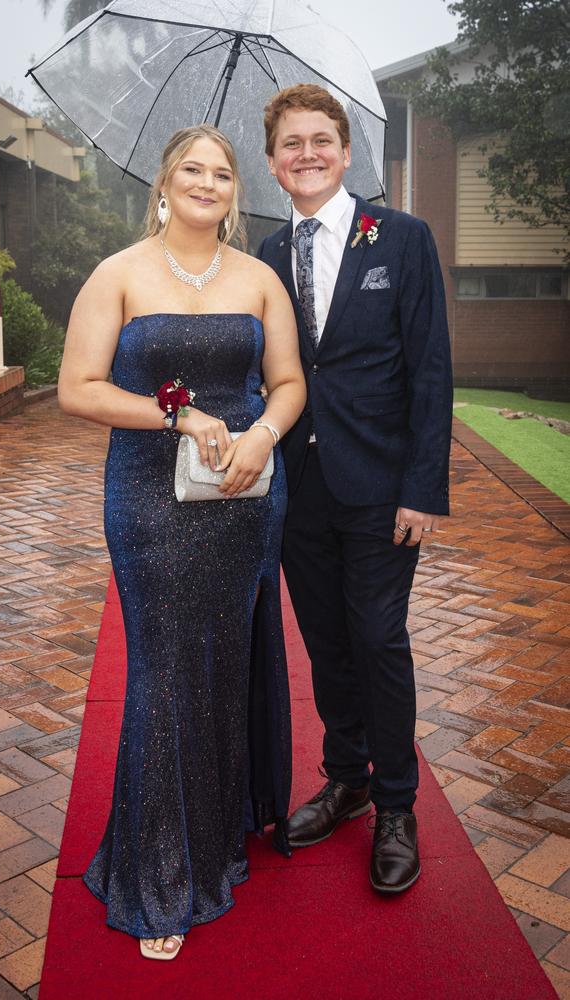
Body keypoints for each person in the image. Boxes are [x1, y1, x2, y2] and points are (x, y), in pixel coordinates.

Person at [58, 124, 305, 959]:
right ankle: (157, 875)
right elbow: (77, 389)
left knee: (220, 670)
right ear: (164, 183)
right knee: (164, 674)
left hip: (242, 498)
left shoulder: (260, 279)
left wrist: (264, 433)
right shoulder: (118, 273)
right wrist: (179, 412)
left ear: (237, 191)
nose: (208, 182)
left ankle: (218, 840)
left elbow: (288, 382)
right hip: (147, 501)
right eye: (192, 169)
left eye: (223, 172)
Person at [258, 84, 453, 893]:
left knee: (377, 638)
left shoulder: (402, 239)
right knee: (328, 643)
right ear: (273, 163)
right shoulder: (265, 257)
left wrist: (422, 490)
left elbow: (431, 370)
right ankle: (349, 778)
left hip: (381, 487)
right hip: (297, 488)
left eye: (320, 140)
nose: (306, 154)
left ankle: (399, 806)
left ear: (345, 152)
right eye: (290, 144)